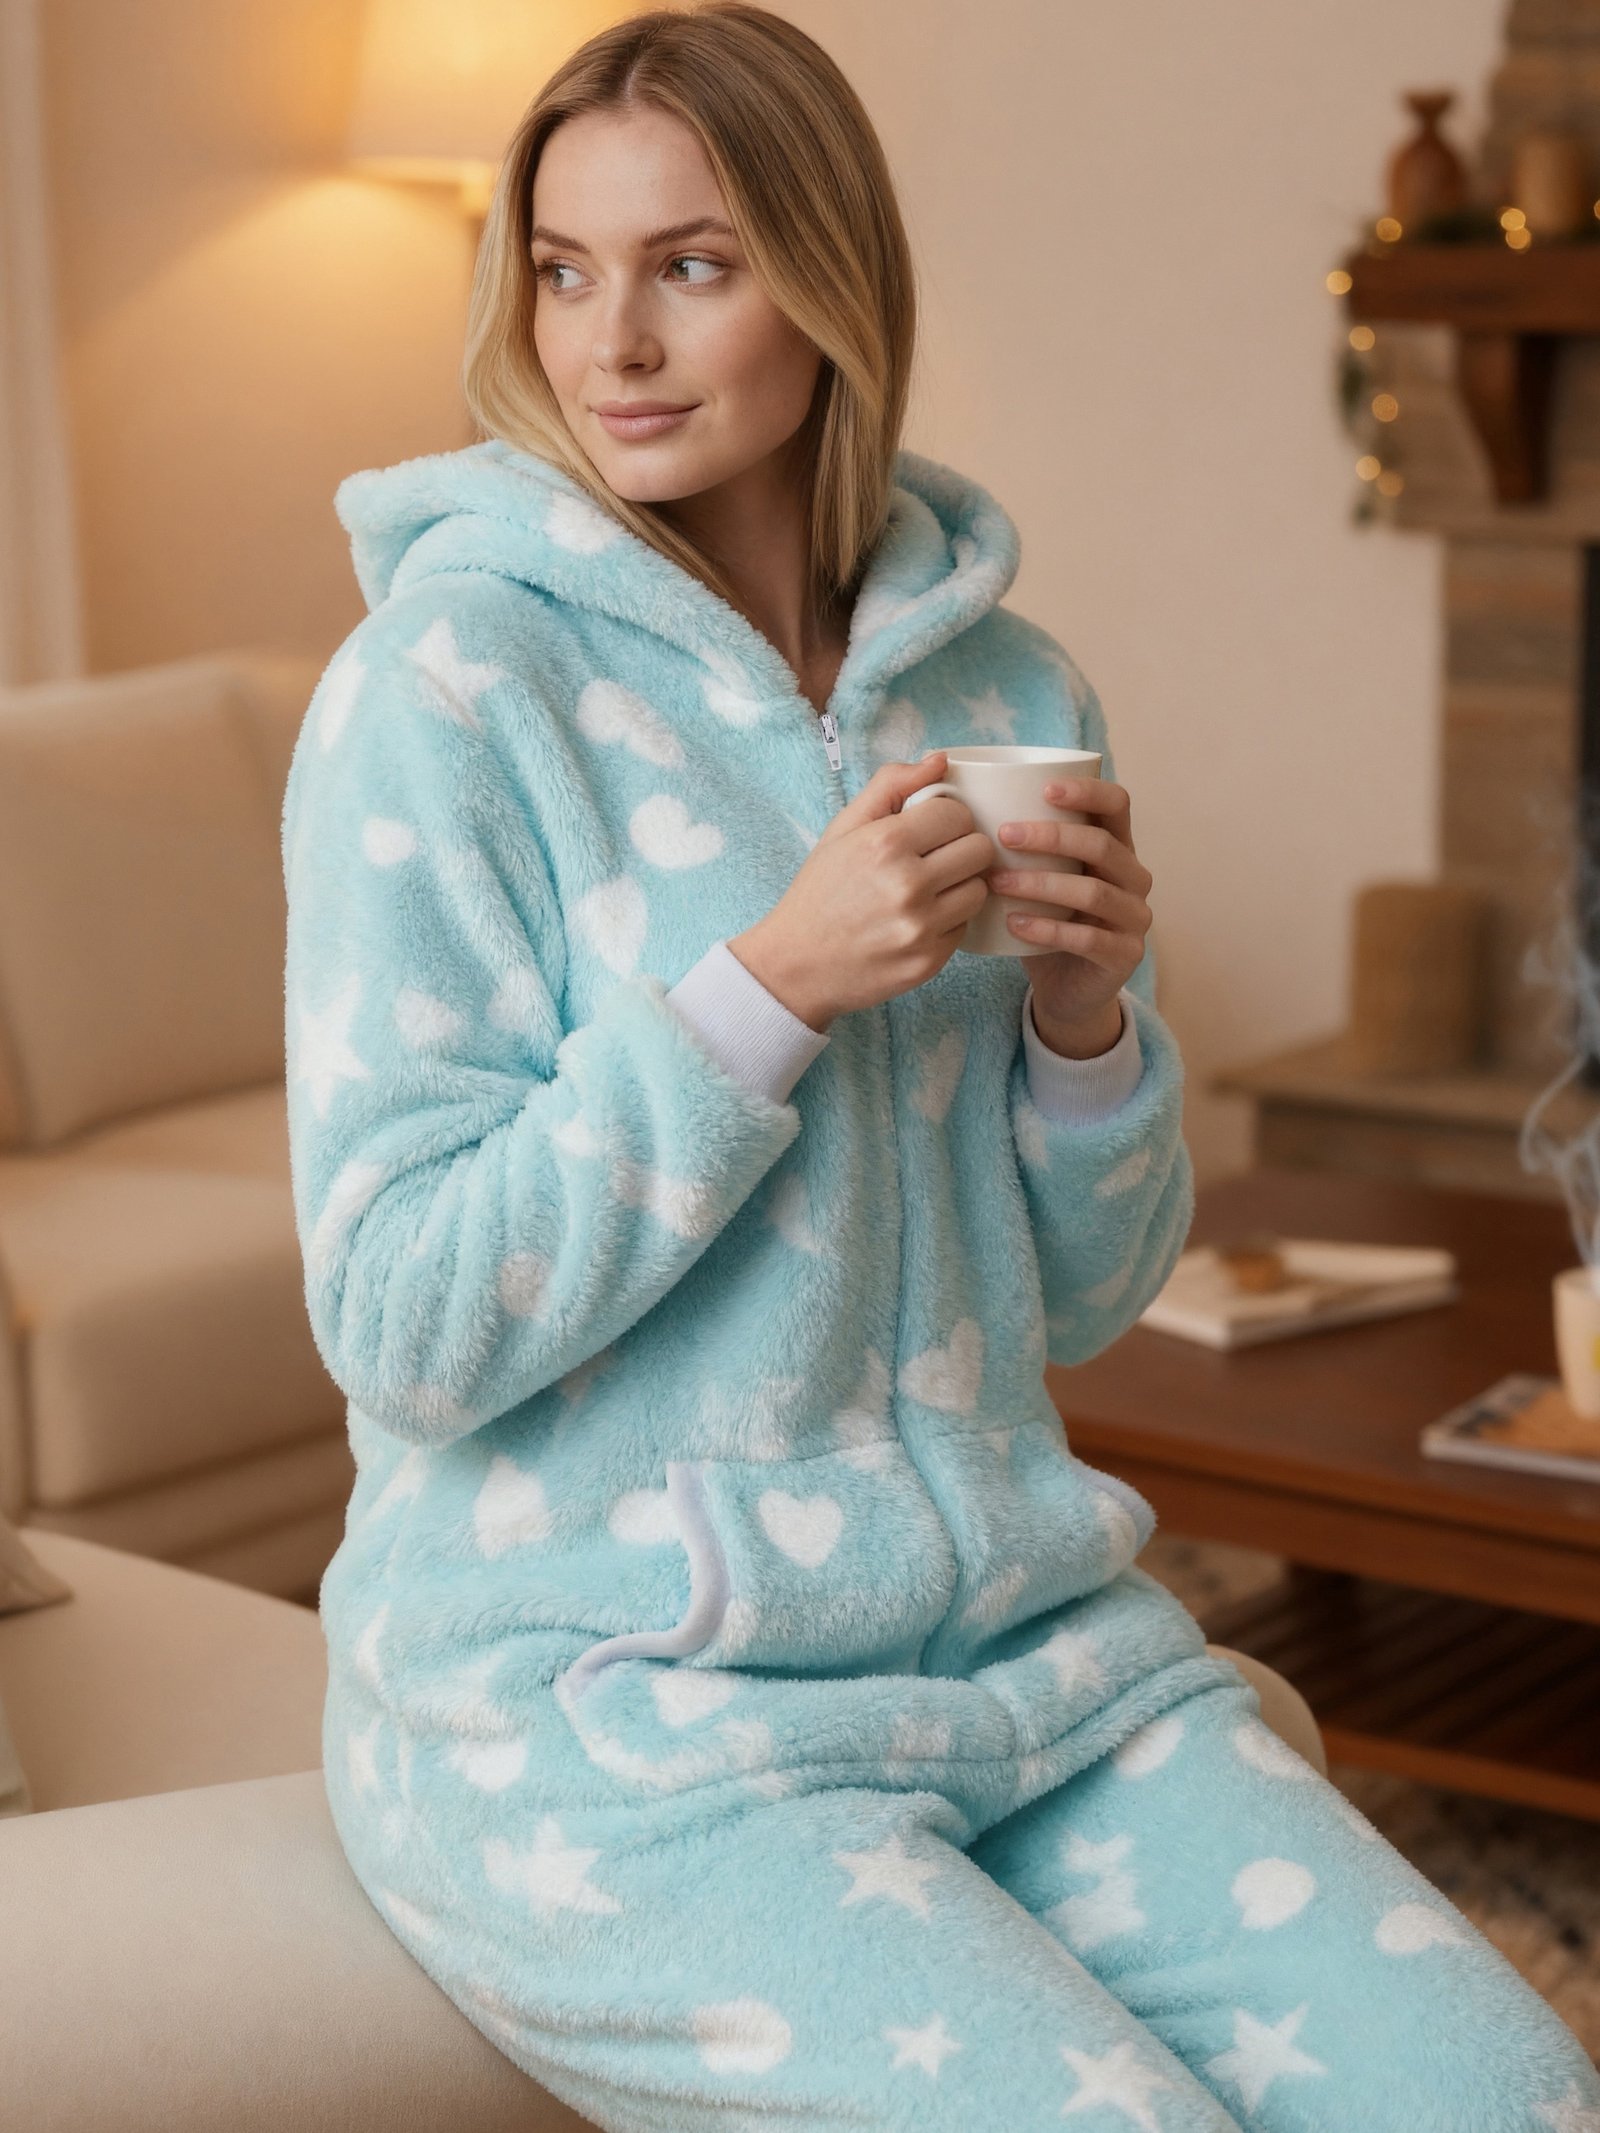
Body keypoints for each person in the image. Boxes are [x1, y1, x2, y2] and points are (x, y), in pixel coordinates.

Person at [282, 6, 1600, 2127]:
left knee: (1503, 2087)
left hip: (1019, 1654)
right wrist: (769, 987)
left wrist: (1084, 1019)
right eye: (564, 270)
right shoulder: (443, 689)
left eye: (692, 264)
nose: (614, 339)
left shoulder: (1004, 682)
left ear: (830, 285)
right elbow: (399, 1317)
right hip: (616, 1700)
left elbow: (1079, 1302)